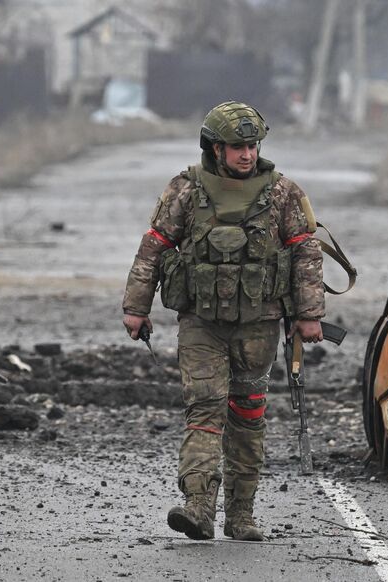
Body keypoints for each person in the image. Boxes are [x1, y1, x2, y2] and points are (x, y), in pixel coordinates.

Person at [122, 101, 325, 541]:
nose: (247, 154)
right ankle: (197, 506)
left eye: (252, 146)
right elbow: (154, 246)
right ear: (215, 148)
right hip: (201, 323)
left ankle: (241, 515)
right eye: (237, 147)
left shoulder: (283, 193)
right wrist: (136, 307)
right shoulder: (185, 189)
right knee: (204, 408)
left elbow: (306, 252)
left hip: (259, 323)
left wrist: (309, 315)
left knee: (248, 414)